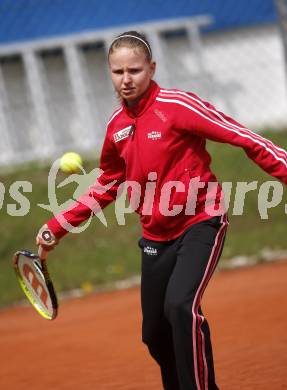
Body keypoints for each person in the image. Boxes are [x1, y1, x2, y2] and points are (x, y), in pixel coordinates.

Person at [36, 31, 287, 390]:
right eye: (117, 71)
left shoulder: (178, 106)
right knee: (154, 334)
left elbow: (243, 137)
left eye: (135, 70)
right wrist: (57, 225)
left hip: (201, 220)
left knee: (180, 308)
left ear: (152, 68)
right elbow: (109, 181)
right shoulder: (117, 127)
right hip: (156, 236)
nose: (126, 79)